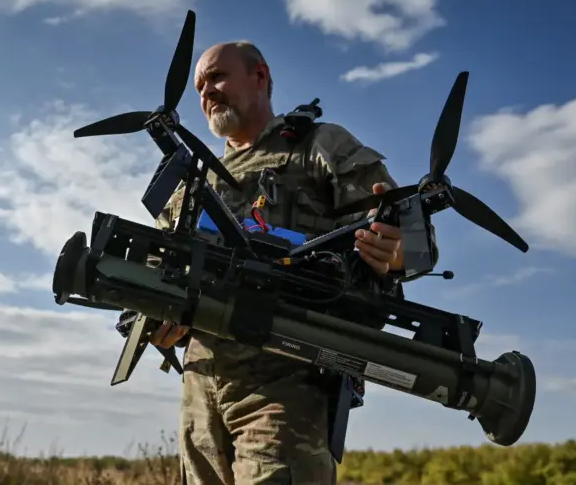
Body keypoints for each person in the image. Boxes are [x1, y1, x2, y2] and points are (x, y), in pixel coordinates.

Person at [148, 41, 431, 485]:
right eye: (200, 86)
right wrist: (153, 314)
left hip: (290, 375)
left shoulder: (319, 145)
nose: (207, 91)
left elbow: (409, 234)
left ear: (259, 76)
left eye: (217, 77)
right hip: (201, 383)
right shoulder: (192, 182)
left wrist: (396, 253)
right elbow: (154, 264)